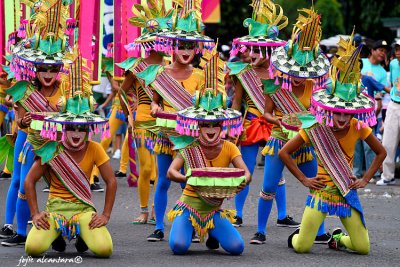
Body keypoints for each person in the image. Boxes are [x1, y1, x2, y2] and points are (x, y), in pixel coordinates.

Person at [281, 33, 386, 254]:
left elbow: (381, 152)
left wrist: (366, 179)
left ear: (352, 113)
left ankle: (337, 238)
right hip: (320, 192)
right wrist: (304, 179)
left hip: (346, 190)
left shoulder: (359, 126)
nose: (341, 118)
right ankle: (298, 235)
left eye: (346, 114)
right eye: (337, 113)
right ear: (329, 110)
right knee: (302, 247)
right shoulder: (315, 128)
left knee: (363, 247)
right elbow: (284, 153)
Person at [250, 6, 331, 245]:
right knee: (268, 187)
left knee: (316, 186)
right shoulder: (275, 87)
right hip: (279, 139)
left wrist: (313, 121)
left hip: (305, 141)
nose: (299, 75)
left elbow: (320, 115)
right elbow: (266, 113)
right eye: (295, 69)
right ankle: (261, 231)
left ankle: (319, 231)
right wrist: (280, 120)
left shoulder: (315, 89)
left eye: (303, 71)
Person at [24, 51, 116, 257]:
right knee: (32, 249)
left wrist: (105, 215)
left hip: (83, 210)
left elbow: (111, 181)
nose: (76, 133)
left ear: (88, 129)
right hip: (55, 211)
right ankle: (57, 234)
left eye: (81, 128)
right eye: (71, 127)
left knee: (104, 250)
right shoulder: (51, 147)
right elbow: (29, 181)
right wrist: (36, 213)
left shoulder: (95, 148)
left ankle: (81, 233)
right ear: (63, 127)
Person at [137, 0, 214, 241]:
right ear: (172, 46)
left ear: (196, 49)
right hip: (165, 133)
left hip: (190, 137)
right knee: (162, 180)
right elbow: (155, 102)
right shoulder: (161, 73)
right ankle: (159, 226)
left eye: (190, 45)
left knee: (188, 182)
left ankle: (190, 224)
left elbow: (207, 107)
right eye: (181, 44)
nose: (185, 49)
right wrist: (156, 107)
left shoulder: (201, 76)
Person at [167, 51, 250, 254]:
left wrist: (240, 183)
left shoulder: (229, 146)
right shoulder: (189, 145)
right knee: (178, 247)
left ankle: (211, 231)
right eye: (205, 124)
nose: (210, 129)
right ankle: (191, 228)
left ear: (222, 125)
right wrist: (187, 177)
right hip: (189, 206)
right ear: (198, 126)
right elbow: (171, 172)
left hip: (213, 208)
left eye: (215, 124)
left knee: (237, 248)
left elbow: (246, 173)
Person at [0, 0, 69, 246]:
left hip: (58, 145)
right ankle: (15, 229)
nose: (48, 74)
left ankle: (62, 229)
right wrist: (24, 119)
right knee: (20, 181)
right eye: (43, 69)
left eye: (53, 69)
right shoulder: (25, 89)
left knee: (62, 185)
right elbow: (17, 116)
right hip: (28, 140)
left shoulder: (68, 91)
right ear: (35, 68)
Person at [228, 0, 288, 228]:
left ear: (269, 50)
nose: (251, 53)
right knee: (247, 168)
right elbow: (236, 102)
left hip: (274, 124)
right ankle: (238, 213)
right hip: (252, 123)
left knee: (277, 171)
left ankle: (282, 215)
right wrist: (231, 125)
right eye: (249, 48)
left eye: (256, 49)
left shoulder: (280, 74)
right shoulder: (243, 73)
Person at [116, 0, 173, 224]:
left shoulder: (170, 65)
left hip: (163, 122)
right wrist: (129, 114)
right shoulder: (137, 66)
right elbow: (122, 91)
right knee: (146, 168)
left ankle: (156, 210)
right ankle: (143, 210)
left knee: (161, 170)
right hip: (142, 121)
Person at [353, 40, 389, 180]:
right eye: (380, 50)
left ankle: (372, 173)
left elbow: (383, 90)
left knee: (369, 146)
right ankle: (355, 172)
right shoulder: (359, 63)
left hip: (368, 116)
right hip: (354, 115)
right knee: (356, 147)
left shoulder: (378, 73)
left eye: (385, 52)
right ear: (372, 50)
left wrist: (385, 96)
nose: (382, 53)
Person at [376, 40, 400, 185]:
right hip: (394, 104)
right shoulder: (392, 64)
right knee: (388, 141)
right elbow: (392, 85)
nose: (398, 52)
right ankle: (387, 176)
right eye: (396, 49)